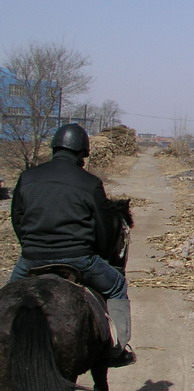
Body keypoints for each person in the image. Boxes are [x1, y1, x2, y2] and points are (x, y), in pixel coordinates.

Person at [8, 123, 135, 367]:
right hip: (78, 259)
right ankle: (118, 348)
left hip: (32, 258)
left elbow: (17, 220)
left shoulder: (27, 177)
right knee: (117, 285)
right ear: (83, 153)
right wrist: (97, 252)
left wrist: (32, 246)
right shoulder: (90, 183)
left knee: (7, 297)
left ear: (55, 148)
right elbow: (103, 229)